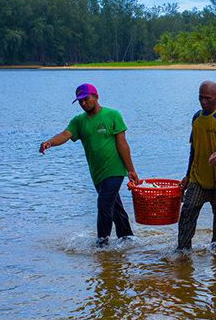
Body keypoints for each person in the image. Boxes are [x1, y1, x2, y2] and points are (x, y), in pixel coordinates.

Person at [39, 83, 140, 247]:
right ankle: (127, 239)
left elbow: (122, 144)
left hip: (115, 170)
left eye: (86, 99)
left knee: (104, 203)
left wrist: (131, 170)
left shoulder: (113, 115)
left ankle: (102, 245)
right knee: (114, 207)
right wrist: (49, 142)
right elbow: (65, 134)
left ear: (96, 97)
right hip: (97, 173)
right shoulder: (79, 121)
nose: (83, 103)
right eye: (80, 101)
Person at [176, 81, 216, 252]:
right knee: (187, 214)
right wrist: (187, 175)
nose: (203, 101)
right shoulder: (196, 118)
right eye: (200, 97)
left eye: (207, 98)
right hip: (198, 178)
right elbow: (193, 149)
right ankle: (182, 252)